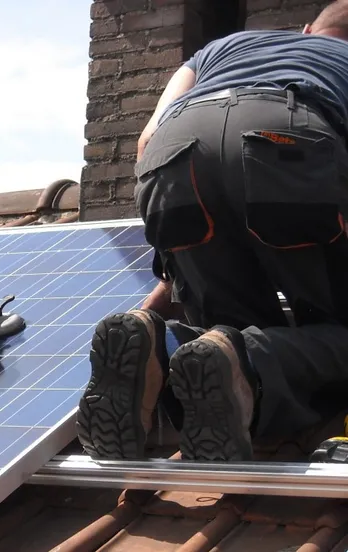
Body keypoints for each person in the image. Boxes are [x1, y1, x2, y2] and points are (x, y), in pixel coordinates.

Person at [77, 1, 348, 464]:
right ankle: (251, 364)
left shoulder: (223, 48)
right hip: (288, 136)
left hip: (172, 152)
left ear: (305, 29)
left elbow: (146, 140)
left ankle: (159, 351)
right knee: (331, 326)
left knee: (224, 334)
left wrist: (174, 270)